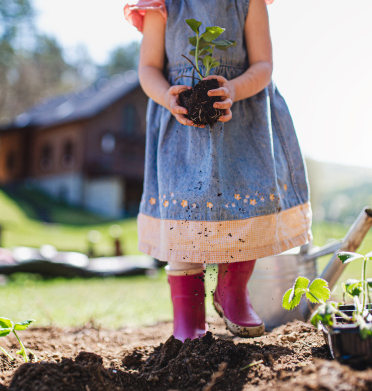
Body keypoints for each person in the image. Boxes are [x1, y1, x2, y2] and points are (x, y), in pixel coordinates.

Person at [124, 0, 312, 341]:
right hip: (181, 129)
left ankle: (232, 291)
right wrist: (168, 96)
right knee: (183, 223)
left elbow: (263, 65)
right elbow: (148, 68)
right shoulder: (161, 4)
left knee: (244, 209)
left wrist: (235, 88)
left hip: (242, 123)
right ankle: (189, 320)